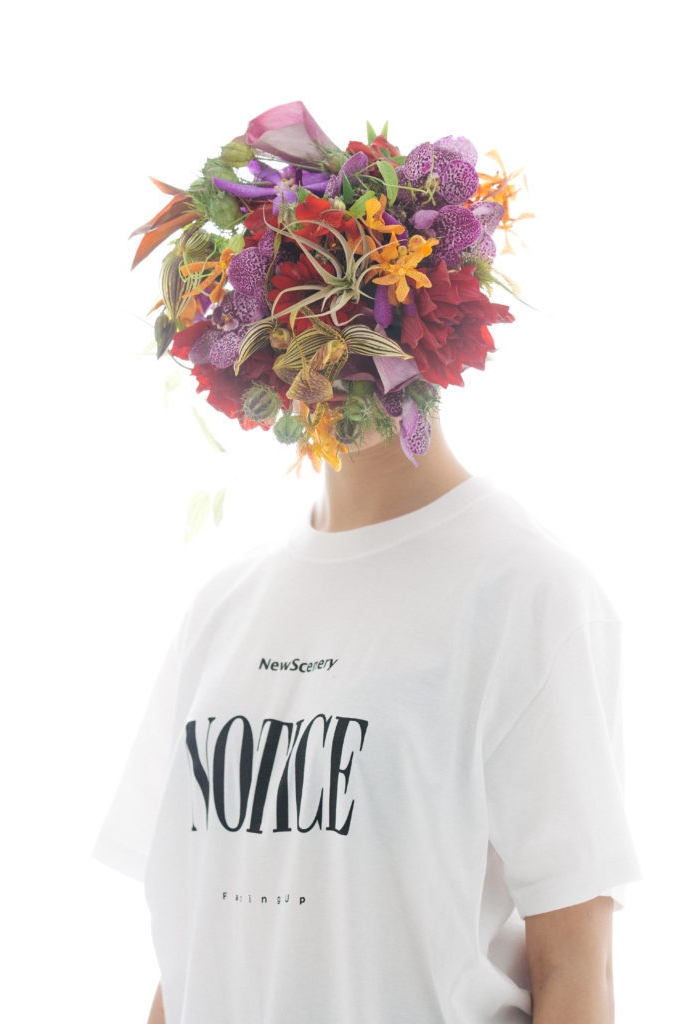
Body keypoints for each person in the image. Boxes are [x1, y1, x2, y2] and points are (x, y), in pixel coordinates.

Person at [92, 102, 643, 1023]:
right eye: (286, 305)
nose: (321, 341)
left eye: (344, 299)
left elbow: (575, 975)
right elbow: (191, 950)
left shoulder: (529, 597)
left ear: (428, 304)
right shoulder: (225, 606)